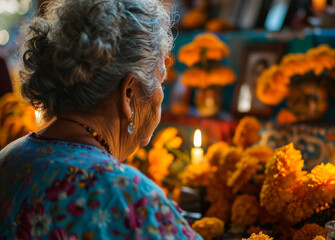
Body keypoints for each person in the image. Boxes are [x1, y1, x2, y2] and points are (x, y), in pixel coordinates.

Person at [0, 0, 202, 239]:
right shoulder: (129, 197)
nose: (160, 92)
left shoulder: (8, 158)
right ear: (128, 93)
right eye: (160, 78)